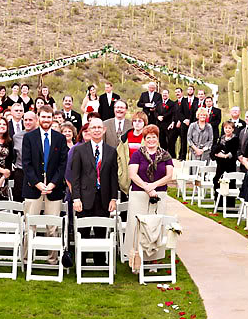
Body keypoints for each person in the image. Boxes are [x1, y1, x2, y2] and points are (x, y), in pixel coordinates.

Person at [21, 105, 69, 260]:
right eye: (43, 117)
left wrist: (53, 184)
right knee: (30, 225)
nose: (46, 120)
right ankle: (27, 258)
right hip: (33, 186)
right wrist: (37, 183)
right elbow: (26, 164)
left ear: (52, 118)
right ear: (38, 117)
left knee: (53, 226)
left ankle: (53, 259)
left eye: (49, 117)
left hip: (53, 188)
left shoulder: (60, 138)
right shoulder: (29, 137)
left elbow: (63, 164)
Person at [69, 117, 119, 259]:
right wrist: (76, 198)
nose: (96, 130)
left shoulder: (111, 151)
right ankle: (82, 261)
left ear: (104, 130)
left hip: (103, 199)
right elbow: (75, 177)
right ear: (89, 131)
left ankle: (99, 261)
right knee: (83, 232)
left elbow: (113, 177)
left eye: (99, 127)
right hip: (84, 198)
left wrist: (113, 199)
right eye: (93, 128)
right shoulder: (79, 150)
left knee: (101, 231)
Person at [126, 124, 174, 260]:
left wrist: (153, 186)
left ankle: (154, 259)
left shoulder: (165, 155)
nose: (151, 140)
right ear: (144, 139)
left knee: (156, 227)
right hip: (139, 195)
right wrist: (147, 188)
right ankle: (136, 259)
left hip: (159, 195)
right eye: (148, 137)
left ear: (158, 138)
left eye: (154, 137)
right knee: (137, 227)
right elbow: (132, 174)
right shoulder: (137, 155)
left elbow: (169, 176)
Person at [212, 120, 241, 205]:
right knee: (217, 180)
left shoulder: (235, 139)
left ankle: (230, 204)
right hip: (220, 164)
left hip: (230, 164)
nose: (227, 130)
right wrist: (219, 155)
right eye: (226, 128)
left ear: (232, 129)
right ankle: (218, 203)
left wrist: (225, 155)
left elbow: (233, 151)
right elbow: (216, 150)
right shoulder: (221, 138)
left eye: (229, 128)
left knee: (230, 182)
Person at [11, 109, 36, 202]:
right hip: (20, 173)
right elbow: (14, 156)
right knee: (19, 201)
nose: (27, 122)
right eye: (25, 120)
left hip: (36, 173)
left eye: (30, 120)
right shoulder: (16, 137)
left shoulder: (40, 135)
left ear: (36, 120)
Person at [178, 86, 200, 161]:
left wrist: (191, 121)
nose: (190, 91)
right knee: (183, 140)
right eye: (188, 89)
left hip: (194, 124)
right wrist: (184, 120)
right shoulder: (183, 100)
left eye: (191, 89)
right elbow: (180, 112)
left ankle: (192, 157)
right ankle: (183, 157)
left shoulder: (197, 100)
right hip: (184, 123)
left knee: (193, 141)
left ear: (193, 91)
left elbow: (197, 112)